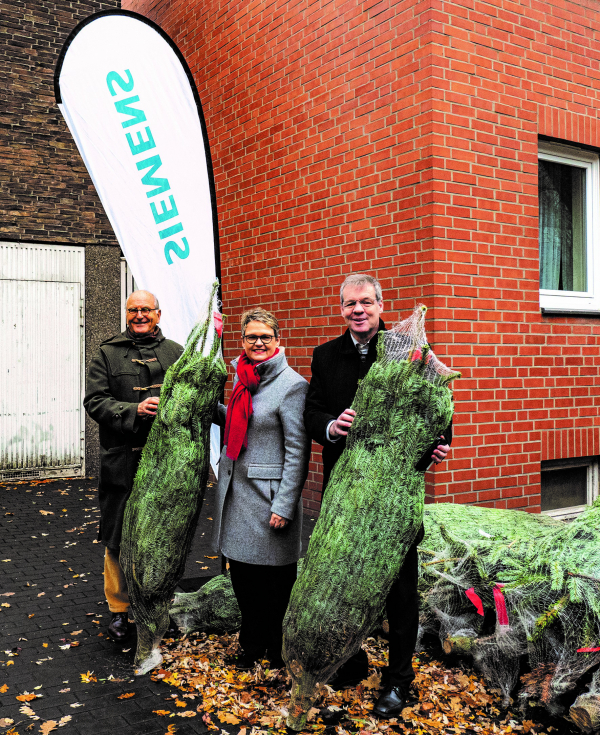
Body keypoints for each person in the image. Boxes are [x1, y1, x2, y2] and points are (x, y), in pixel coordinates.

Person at [303, 273, 452, 718]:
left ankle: (398, 680)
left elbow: (439, 409)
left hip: (393, 500)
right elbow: (312, 411)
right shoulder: (325, 355)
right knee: (343, 584)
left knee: (400, 592)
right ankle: (349, 661)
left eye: (366, 302)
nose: (358, 310)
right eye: (350, 304)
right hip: (345, 501)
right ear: (342, 309)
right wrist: (332, 425)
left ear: (381, 304)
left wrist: (438, 445)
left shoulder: (410, 351)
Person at [212, 307, 310, 669]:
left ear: (277, 340)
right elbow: (243, 422)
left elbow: (298, 451)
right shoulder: (243, 377)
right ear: (242, 341)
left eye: (265, 337)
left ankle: (276, 647)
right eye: (251, 336)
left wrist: (285, 504)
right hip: (238, 495)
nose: (258, 342)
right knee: (243, 578)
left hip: (269, 499)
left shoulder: (292, 385)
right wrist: (213, 407)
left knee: (275, 582)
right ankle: (251, 643)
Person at [84, 290, 183, 641]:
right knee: (118, 537)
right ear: (126, 313)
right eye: (133, 309)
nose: (139, 315)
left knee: (160, 537)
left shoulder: (175, 352)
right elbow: (95, 401)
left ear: (158, 313)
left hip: (166, 462)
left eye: (146, 309)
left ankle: (155, 606)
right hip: (122, 460)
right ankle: (119, 610)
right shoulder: (107, 353)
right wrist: (134, 411)